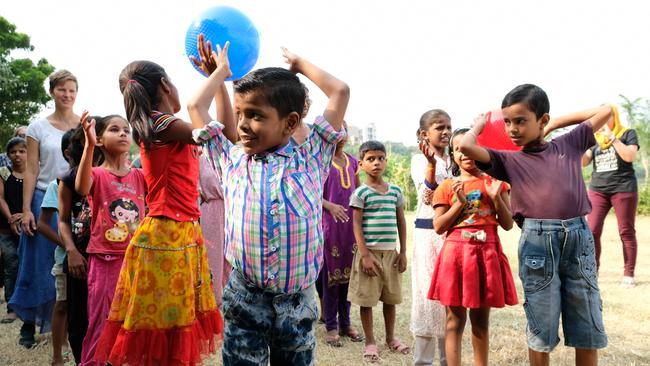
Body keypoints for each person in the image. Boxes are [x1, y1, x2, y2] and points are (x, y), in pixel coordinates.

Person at [193, 45, 349, 365]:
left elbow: (340, 91)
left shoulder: (311, 157)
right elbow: (195, 105)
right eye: (240, 114)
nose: (243, 124)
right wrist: (220, 73)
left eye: (256, 115)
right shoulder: (231, 159)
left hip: (297, 303)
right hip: (244, 296)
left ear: (290, 123)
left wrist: (300, 64)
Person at [94, 35, 228, 366]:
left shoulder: (162, 125)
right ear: (166, 86)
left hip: (179, 236)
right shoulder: (161, 123)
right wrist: (218, 72)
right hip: (166, 237)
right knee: (163, 333)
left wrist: (219, 80)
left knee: (170, 333)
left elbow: (224, 132)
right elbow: (206, 128)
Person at [458, 84, 611, 366]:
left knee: (586, 319)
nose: (512, 128)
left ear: (541, 120)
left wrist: (554, 123)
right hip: (537, 243)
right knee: (541, 322)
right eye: (507, 122)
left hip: (578, 238)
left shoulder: (570, 143)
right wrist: (480, 124)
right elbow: (467, 145)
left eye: (520, 121)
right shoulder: (507, 160)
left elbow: (605, 111)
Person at [428, 128, 517, 366]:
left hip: (486, 253)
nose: (464, 153)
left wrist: (496, 197)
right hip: (456, 254)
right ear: (453, 155)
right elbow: (438, 226)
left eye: (468, 147)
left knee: (480, 322)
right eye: (457, 149)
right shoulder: (448, 185)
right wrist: (459, 203)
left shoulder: (497, 184)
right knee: (454, 321)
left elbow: (508, 225)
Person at [11, 69, 80, 348]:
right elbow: (31, 168)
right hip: (44, 197)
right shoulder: (38, 127)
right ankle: (28, 324)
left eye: (72, 89)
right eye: (62, 89)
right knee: (38, 263)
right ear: (52, 91)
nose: (67, 94)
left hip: (75, 199)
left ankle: (69, 324)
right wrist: (27, 209)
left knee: (71, 262)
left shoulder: (84, 123)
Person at [75, 113, 146, 366]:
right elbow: (82, 188)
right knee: (101, 323)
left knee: (134, 323)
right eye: (114, 129)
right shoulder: (96, 174)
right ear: (101, 140)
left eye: (126, 129)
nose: (123, 133)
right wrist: (88, 144)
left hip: (137, 260)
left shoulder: (139, 176)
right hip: (105, 260)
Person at [347, 140, 408, 362]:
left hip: (391, 255)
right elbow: (356, 225)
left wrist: (402, 252)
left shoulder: (395, 192)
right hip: (369, 255)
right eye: (370, 159)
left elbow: (401, 222)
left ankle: (391, 338)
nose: (376, 163)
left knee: (390, 299)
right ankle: (370, 341)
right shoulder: (361, 193)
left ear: (386, 161)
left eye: (380, 158)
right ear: (361, 164)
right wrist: (364, 255)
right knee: (367, 300)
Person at [410, 109, 452, 366]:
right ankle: (423, 361)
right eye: (440, 127)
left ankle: (449, 359)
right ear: (425, 134)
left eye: (449, 127)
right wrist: (432, 165)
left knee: (450, 298)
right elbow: (428, 197)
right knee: (427, 296)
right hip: (428, 235)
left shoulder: (456, 160)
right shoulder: (419, 161)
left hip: (453, 237)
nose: (446, 132)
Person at [582, 105, 640, 287]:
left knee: (626, 231)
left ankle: (628, 274)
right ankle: (593, 272)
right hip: (598, 189)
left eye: (605, 117)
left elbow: (629, 156)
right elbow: (584, 162)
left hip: (623, 188)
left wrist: (613, 138)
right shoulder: (595, 139)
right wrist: (580, 146)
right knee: (591, 230)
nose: (601, 121)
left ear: (613, 116)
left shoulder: (627, 133)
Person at [320, 122, 364, 347]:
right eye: (337, 131)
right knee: (330, 279)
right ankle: (331, 325)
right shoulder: (320, 161)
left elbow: (358, 194)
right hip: (329, 226)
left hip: (350, 229)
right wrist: (329, 206)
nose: (341, 136)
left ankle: (346, 322)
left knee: (348, 277)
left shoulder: (354, 162)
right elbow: (311, 193)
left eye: (344, 130)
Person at [37, 129, 75, 366]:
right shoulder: (56, 185)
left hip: (96, 257)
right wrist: (68, 246)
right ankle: (57, 357)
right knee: (62, 304)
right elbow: (43, 224)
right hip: (66, 257)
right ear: (68, 153)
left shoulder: (96, 179)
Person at [58, 125, 94, 364]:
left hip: (117, 259)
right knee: (80, 319)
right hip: (81, 259)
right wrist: (71, 251)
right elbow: (62, 220)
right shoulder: (70, 179)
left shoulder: (127, 175)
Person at [0, 137, 27, 324]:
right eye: (13, 152)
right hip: (7, 229)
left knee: (28, 267)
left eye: (22, 151)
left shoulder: (35, 173)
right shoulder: (4, 172)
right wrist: (11, 218)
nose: (17, 155)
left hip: (29, 228)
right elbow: (0, 198)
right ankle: (11, 308)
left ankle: (28, 306)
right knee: (11, 268)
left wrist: (24, 215)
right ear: (8, 155)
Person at [198, 152, 229, 305]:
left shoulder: (235, 152)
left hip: (233, 208)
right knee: (213, 258)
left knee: (233, 258)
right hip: (211, 209)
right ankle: (212, 302)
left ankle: (233, 298)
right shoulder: (201, 156)